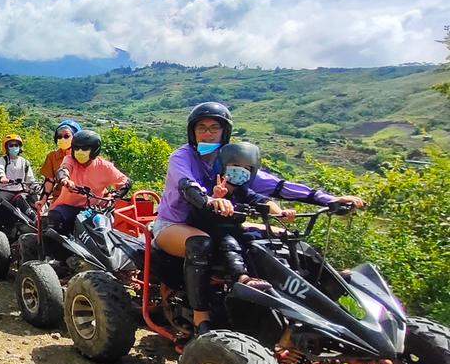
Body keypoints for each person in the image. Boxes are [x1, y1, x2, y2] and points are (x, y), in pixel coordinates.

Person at [152, 102, 239, 335]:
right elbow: (186, 184)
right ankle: (202, 320)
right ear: (193, 132)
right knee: (200, 245)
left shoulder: (228, 158)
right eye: (201, 128)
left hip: (206, 223)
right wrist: (209, 200)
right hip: (173, 225)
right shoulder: (182, 156)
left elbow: (264, 181)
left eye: (214, 128)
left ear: (225, 131)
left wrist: (323, 199)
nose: (207, 133)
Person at [195, 141, 291, 291]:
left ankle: (290, 275)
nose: (241, 171)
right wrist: (215, 197)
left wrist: (280, 212)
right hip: (210, 232)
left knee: (266, 237)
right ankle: (241, 277)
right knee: (229, 242)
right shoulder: (207, 185)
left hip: (236, 229)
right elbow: (201, 207)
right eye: (236, 166)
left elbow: (263, 201)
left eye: (246, 168)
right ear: (224, 166)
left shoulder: (243, 191)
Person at [47, 129, 131, 235]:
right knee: (55, 218)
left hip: (93, 210)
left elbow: (125, 182)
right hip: (68, 207)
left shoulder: (105, 166)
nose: (80, 152)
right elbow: (64, 170)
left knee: (102, 231)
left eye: (85, 148)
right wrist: (65, 180)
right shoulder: (69, 159)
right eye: (76, 148)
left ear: (94, 150)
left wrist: (114, 196)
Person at [0, 134, 37, 216]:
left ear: (20, 147)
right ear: (6, 147)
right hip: (6, 190)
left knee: (35, 199)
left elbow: (30, 178)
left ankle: (36, 220)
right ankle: (2, 224)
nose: (14, 147)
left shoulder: (24, 162)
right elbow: (0, 169)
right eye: (11, 145)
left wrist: (35, 186)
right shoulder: (2, 160)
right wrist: (2, 177)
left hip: (20, 190)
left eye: (16, 145)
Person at [41, 119, 81, 196]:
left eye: (66, 136)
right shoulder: (52, 157)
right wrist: (42, 200)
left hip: (81, 199)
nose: (62, 139)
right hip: (59, 198)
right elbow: (49, 181)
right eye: (59, 136)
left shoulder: (83, 156)